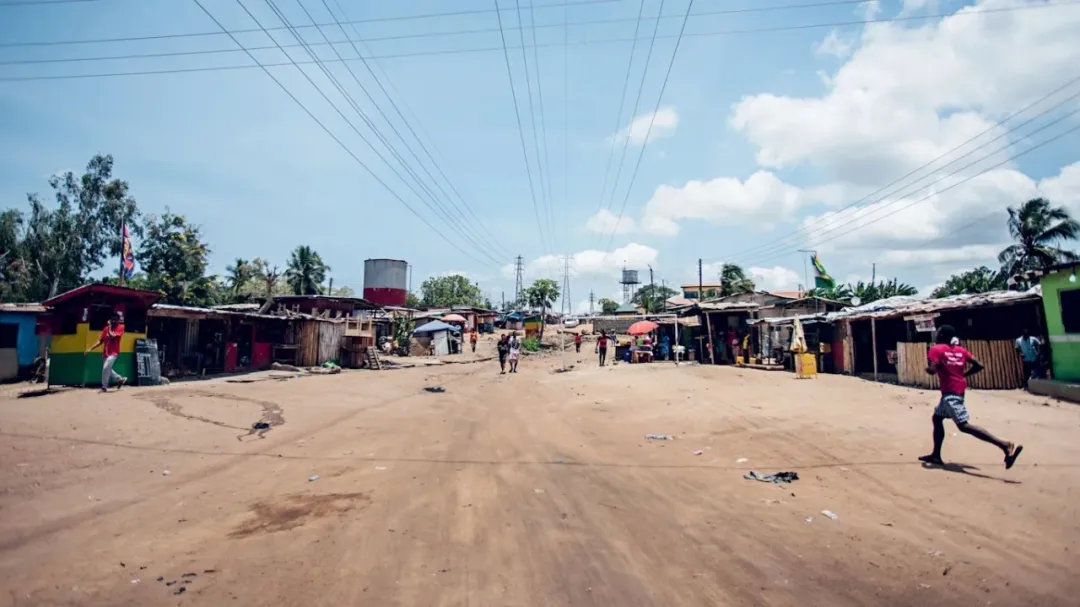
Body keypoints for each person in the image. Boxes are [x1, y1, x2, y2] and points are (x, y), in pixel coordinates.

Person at [919, 325, 1023, 469]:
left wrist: (929, 368)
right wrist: (963, 375)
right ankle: (936, 455)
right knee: (937, 418)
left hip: (950, 394)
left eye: (938, 334)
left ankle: (1005, 445)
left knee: (963, 425)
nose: (936, 336)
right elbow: (979, 365)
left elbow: (932, 370)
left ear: (942, 336)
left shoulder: (936, 349)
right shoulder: (961, 351)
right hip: (958, 390)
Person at [86, 312, 127, 392]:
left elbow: (112, 335)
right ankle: (120, 379)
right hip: (105, 353)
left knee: (105, 368)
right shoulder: (106, 329)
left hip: (114, 353)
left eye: (115, 319)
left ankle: (104, 387)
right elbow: (100, 341)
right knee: (108, 369)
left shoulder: (120, 327)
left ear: (118, 320)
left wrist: (110, 326)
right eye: (112, 319)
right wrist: (90, 349)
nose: (113, 320)